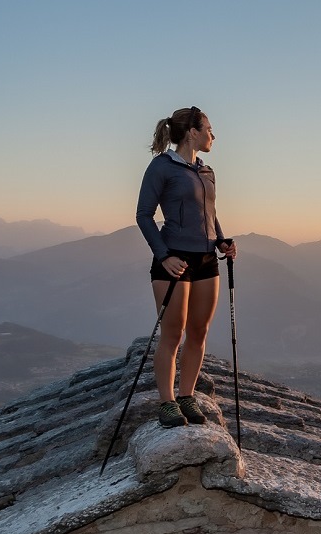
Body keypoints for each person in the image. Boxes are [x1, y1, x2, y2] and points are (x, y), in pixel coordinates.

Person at [136, 106, 237, 428]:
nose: (213, 135)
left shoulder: (206, 170)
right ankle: (167, 403)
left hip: (207, 257)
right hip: (174, 258)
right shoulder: (162, 167)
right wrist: (164, 255)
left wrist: (221, 241)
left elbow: (210, 211)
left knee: (199, 331)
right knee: (172, 333)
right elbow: (143, 214)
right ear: (193, 132)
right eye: (209, 128)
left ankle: (187, 395)